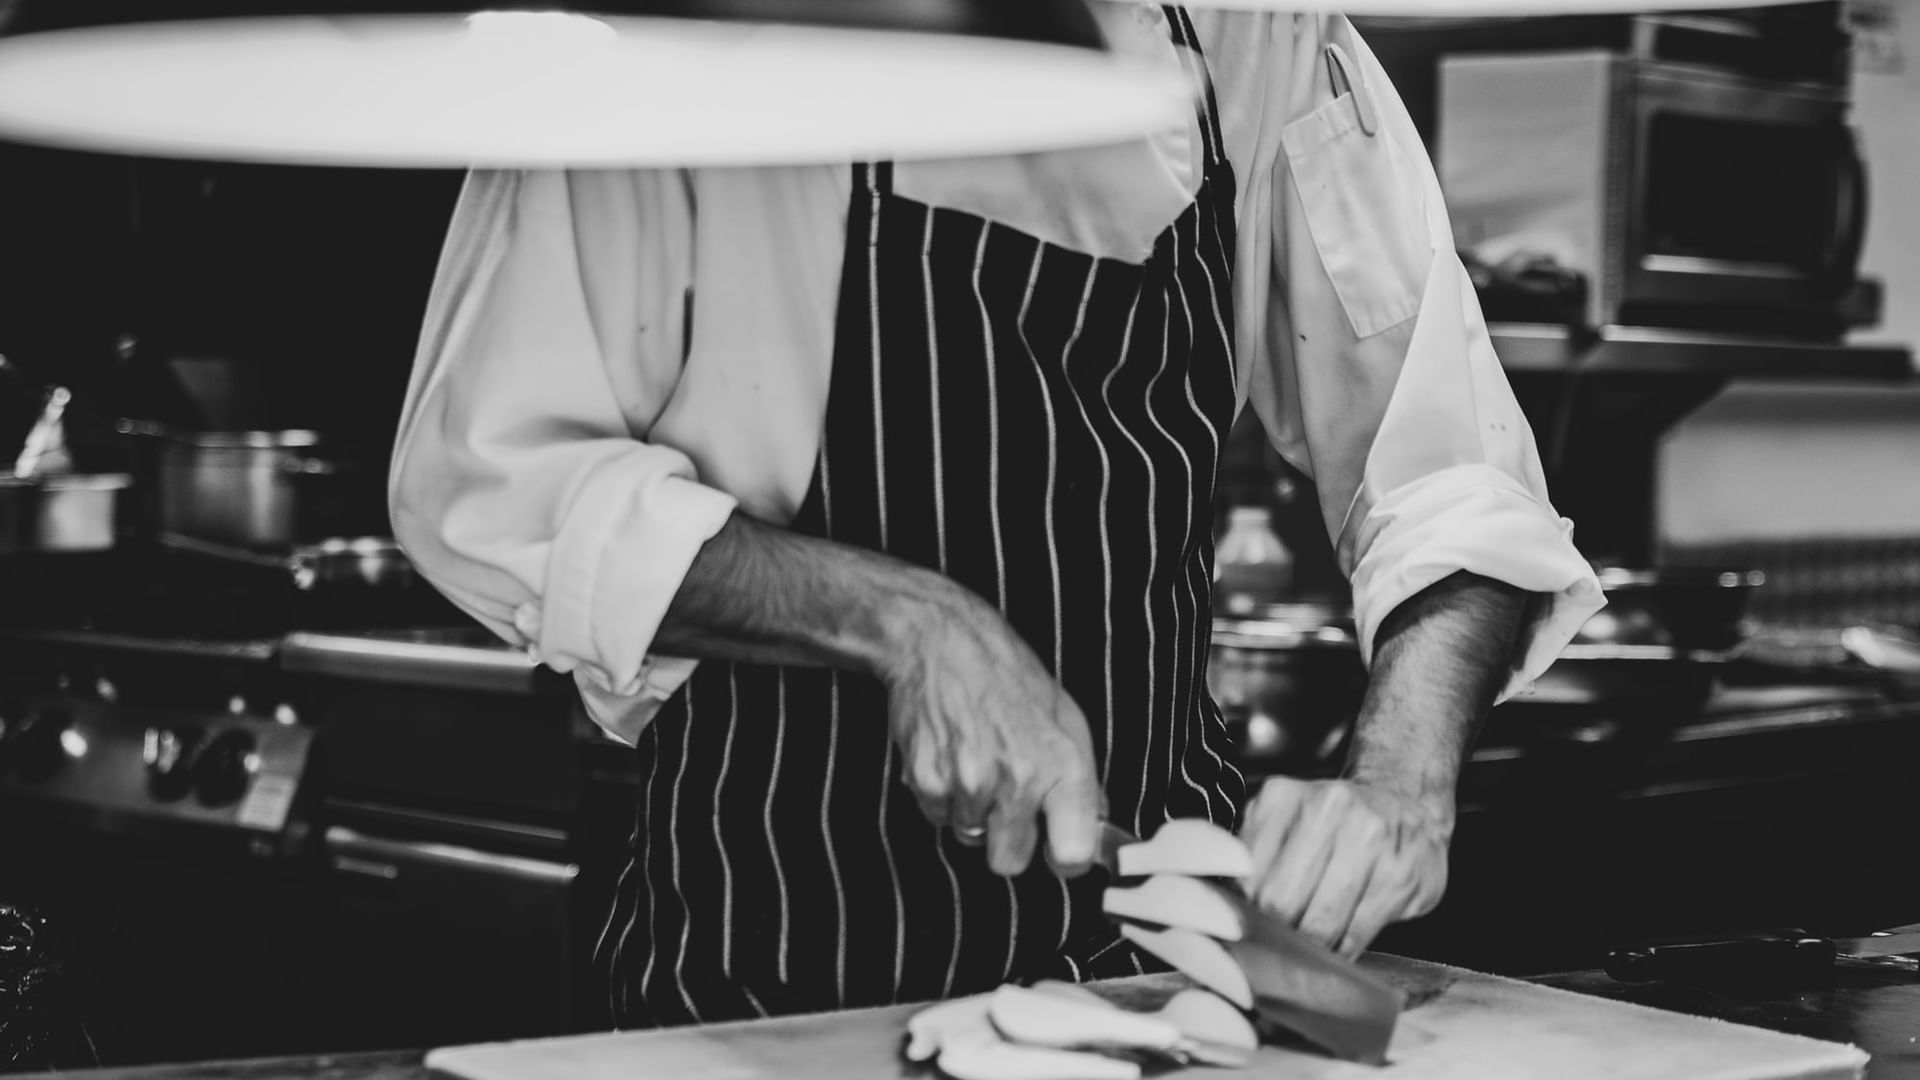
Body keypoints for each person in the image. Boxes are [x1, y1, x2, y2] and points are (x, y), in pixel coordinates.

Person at [388, 3, 1603, 1029]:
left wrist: (1400, 782)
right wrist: (909, 622)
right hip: (776, 976)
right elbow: (494, 483)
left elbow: (1453, 474)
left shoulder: (1253, 32)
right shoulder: (676, 35)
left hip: (1164, 985)